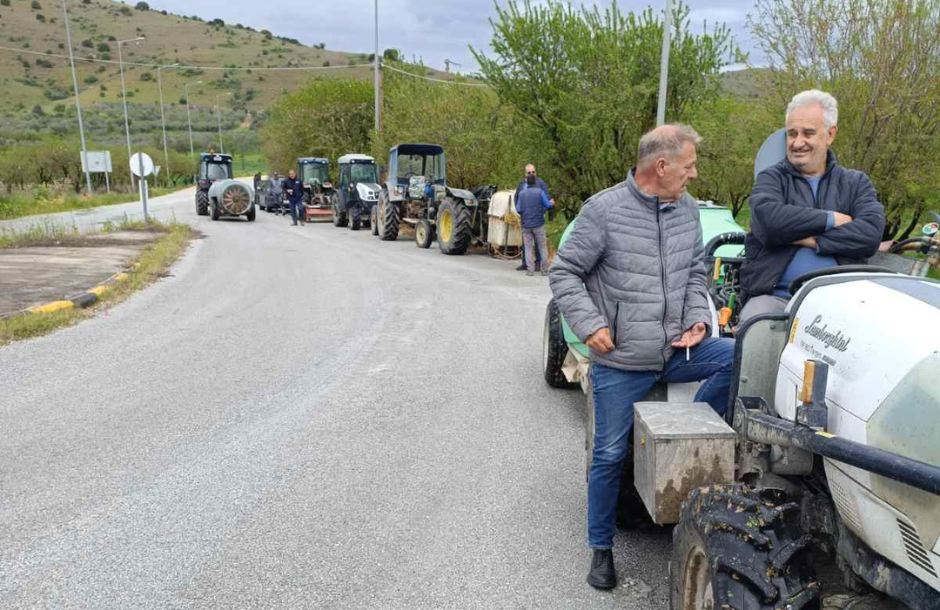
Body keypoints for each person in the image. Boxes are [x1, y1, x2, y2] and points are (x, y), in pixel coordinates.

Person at [549, 124, 735, 592]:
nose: (694, 174)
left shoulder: (687, 210)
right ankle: (600, 548)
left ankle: (677, 433)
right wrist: (591, 324)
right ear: (662, 166)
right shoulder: (604, 211)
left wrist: (696, 317)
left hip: (675, 349)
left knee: (736, 358)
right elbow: (564, 272)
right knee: (609, 454)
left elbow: (695, 273)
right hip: (622, 359)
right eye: (689, 166)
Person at [739, 90, 885, 322]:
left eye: (808, 133)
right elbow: (767, 221)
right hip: (776, 297)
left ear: (830, 134)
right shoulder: (771, 179)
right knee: (755, 326)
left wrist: (811, 240)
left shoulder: (855, 183)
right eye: (792, 134)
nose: (798, 142)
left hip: (842, 300)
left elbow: (869, 234)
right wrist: (830, 219)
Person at [515, 164, 553, 271]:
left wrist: (541, 212)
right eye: (529, 172)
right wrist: (522, 213)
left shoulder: (541, 184)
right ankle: (525, 263)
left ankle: (537, 263)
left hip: (538, 217)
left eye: (533, 172)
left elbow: (546, 200)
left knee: (538, 243)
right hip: (526, 217)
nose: (532, 174)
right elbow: (516, 198)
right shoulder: (521, 184)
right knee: (527, 243)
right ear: (525, 174)